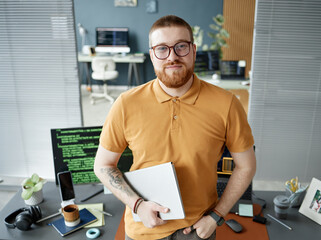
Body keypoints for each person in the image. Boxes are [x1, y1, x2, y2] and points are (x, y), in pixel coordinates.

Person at [94, 15, 256, 240]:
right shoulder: (125, 104)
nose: (172, 57)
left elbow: (246, 166)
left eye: (181, 46)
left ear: (193, 50)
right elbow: (103, 165)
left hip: (199, 228)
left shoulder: (227, 104)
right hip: (143, 228)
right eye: (162, 48)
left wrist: (217, 216)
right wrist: (137, 204)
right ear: (152, 55)